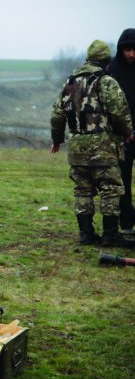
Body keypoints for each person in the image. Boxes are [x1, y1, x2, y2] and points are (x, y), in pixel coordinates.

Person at [50, 39, 135, 247]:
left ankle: (86, 234)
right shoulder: (106, 81)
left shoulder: (70, 82)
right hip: (103, 145)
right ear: (106, 61)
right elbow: (119, 111)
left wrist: (57, 139)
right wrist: (127, 132)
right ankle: (110, 235)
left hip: (77, 145)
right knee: (110, 189)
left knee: (82, 189)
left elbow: (57, 114)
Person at [110, 29, 135, 232]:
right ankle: (126, 222)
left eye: (134, 50)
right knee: (122, 181)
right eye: (127, 49)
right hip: (121, 137)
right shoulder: (112, 68)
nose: (131, 54)